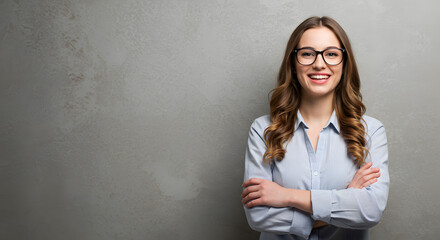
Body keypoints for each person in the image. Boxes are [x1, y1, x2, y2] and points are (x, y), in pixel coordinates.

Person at [241, 16, 389, 240]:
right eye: (308, 53)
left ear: (344, 63)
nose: (319, 64)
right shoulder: (263, 130)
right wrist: (346, 198)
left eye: (331, 54)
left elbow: (370, 211)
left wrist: (287, 196)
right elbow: (258, 216)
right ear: (293, 62)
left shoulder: (371, 131)